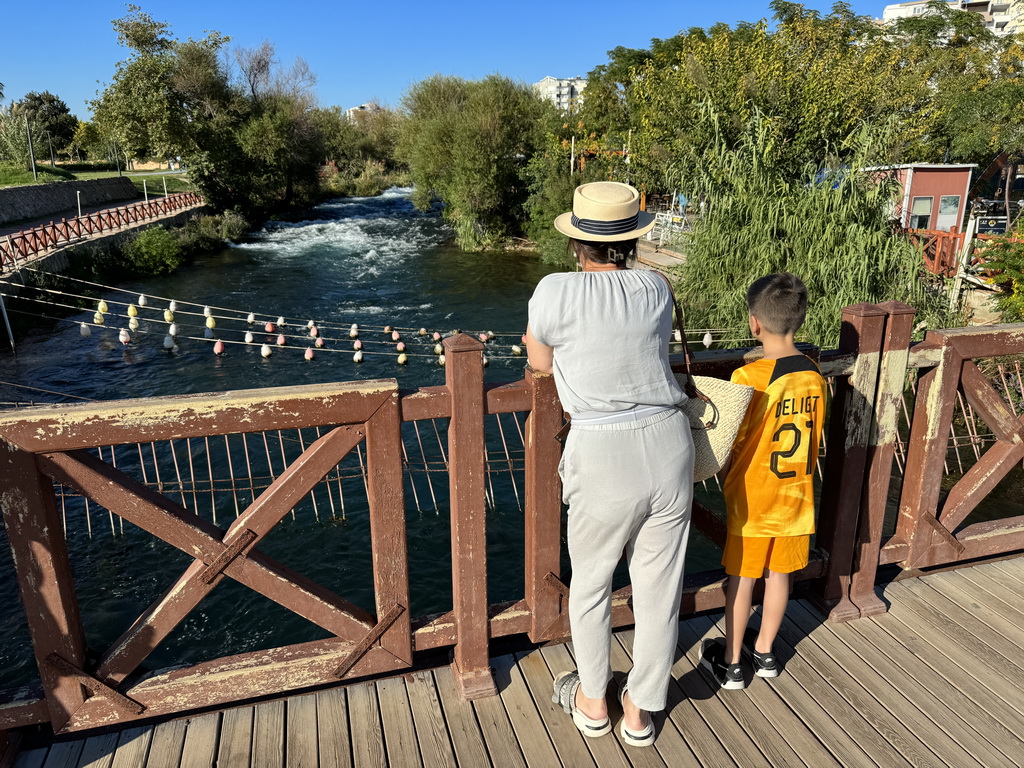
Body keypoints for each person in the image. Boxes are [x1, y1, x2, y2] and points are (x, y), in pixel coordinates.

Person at [526, 181, 694, 747]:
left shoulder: (554, 291)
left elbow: (540, 361)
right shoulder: (656, 287)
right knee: (658, 588)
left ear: (578, 243)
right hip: (669, 445)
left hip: (602, 448)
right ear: (631, 240)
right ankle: (641, 711)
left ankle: (593, 700)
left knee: (592, 584)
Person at [699, 273, 827, 689]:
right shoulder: (814, 377)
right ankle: (767, 652)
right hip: (796, 498)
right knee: (779, 576)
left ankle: (733, 662)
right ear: (800, 320)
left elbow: (727, 437)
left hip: (754, 500)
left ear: (754, 322)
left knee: (742, 579)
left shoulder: (749, 378)